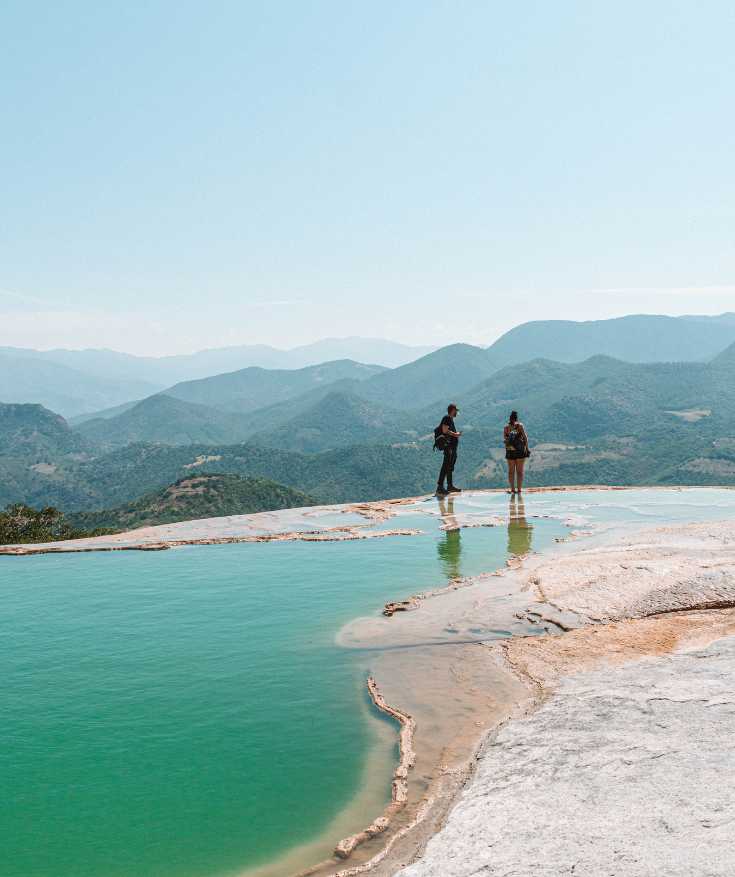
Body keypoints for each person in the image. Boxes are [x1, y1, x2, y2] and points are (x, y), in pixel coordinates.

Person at [436, 403, 462, 496]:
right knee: (446, 465)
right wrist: (456, 434)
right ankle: (440, 487)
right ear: (452, 410)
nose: (456, 413)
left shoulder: (450, 419)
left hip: (451, 447)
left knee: (449, 466)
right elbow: (444, 430)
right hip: (448, 446)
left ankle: (449, 486)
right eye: (456, 411)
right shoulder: (447, 418)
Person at [503, 410, 530, 494]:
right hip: (520, 451)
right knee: (520, 471)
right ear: (516, 418)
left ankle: (512, 489)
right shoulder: (520, 426)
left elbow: (505, 440)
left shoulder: (506, 428)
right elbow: (525, 438)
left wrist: (508, 449)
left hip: (510, 451)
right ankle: (519, 490)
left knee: (511, 471)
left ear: (510, 418)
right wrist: (527, 448)